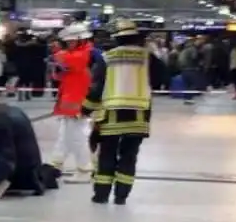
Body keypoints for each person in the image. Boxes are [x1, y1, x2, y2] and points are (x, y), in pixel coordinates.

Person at [81, 18, 157, 205]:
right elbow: (162, 78)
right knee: (129, 155)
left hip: (111, 115)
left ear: (116, 38)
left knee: (107, 153)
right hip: (139, 114)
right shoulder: (147, 57)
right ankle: (121, 196)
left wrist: (86, 108)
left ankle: (101, 195)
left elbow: (97, 87)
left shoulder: (107, 57)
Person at [49, 22, 94, 183]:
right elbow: (61, 75)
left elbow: (75, 62)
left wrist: (57, 52)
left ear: (81, 39)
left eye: (71, 41)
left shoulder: (86, 52)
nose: (69, 44)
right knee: (65, 134)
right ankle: (56, 164)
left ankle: (85, 170)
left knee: (76, 137)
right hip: (69, 98)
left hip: (77, 100)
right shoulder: (75, 52)